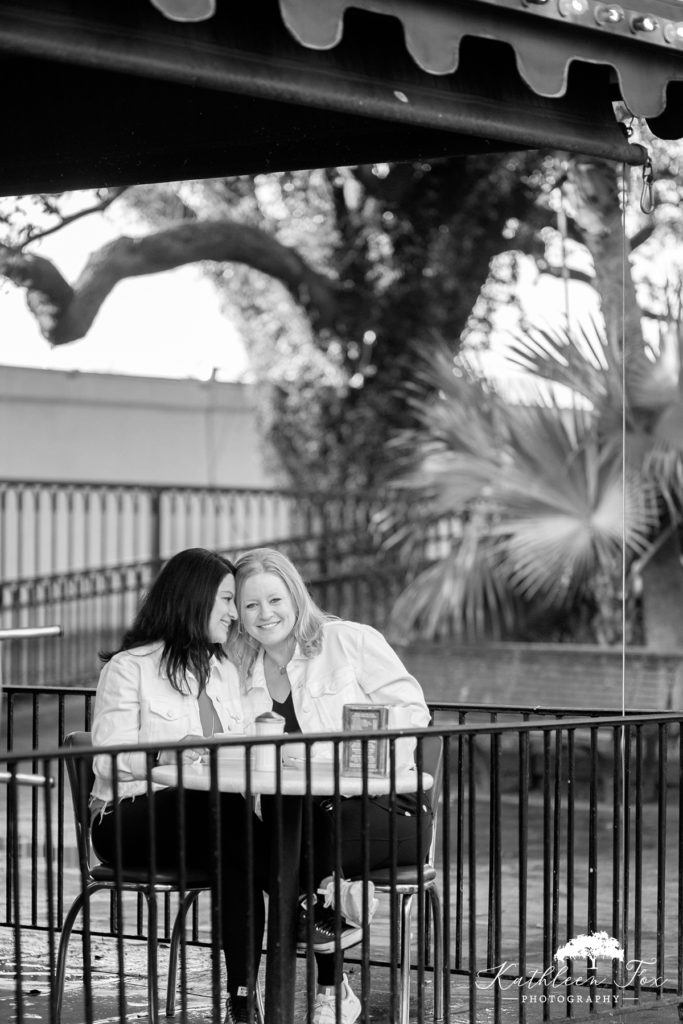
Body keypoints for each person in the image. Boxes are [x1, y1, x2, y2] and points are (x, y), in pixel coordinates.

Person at [228, 547, 433, 1024]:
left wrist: (358, 761)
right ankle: (330, 936)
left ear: (296, 597)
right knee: (274, 830)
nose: (265, 614)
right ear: (237, 613)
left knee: (296, 837)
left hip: (387, 810)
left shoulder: (348, 641)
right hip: (307, 821)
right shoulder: (239, 672)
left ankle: (321, 953)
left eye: (275, 599)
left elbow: (412, 709)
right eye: (250, 605)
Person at [89, 547, 267, 1024]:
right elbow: (109, 757)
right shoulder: (130, 668)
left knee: (240, 848)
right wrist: (170, 749)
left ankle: (244, 998)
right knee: (238, 829)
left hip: (212, 825)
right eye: (228, 600)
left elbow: (244, 746)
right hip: (130, 821)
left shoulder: (226, 670)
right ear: (195, 598)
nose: (234, 613)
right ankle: (309, 890)